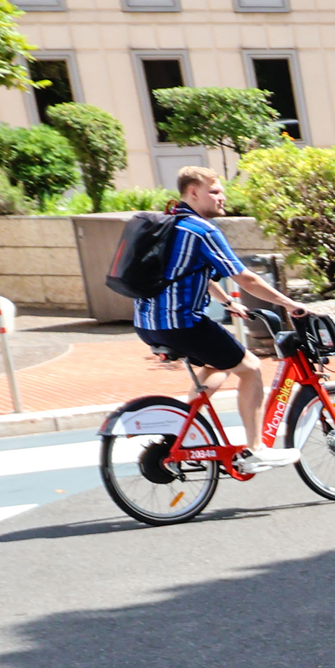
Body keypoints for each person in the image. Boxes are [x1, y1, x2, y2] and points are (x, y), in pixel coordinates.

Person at [131, 167, 306, 467]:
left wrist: (227, 302)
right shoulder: (202, 230)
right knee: (250, 368)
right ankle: (256, 450)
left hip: (147, 324)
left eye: (221, 190)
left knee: (218, 364)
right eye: (213, 191)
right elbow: (246, 279)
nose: (221, 196)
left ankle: (182, 432)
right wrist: (290, 304)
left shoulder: (169, 223)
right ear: (193, 193)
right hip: (182, 323)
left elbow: (188, 271)